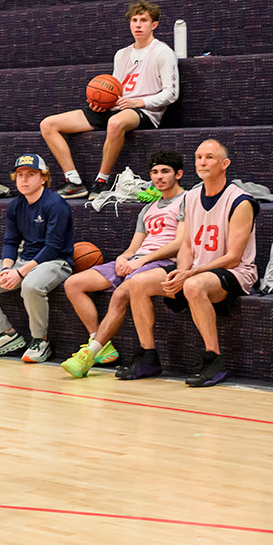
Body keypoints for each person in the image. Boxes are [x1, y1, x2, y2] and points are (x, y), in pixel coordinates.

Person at [102, 139, 255, 387]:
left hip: (233, 272)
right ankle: (148, 354)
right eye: (198, 157)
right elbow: (186, 244)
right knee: (138, 283)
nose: (202, 162)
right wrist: (182, 270)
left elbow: (234, 257)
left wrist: (190, 274)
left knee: (193, 286)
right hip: (195, 268)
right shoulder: (191, 197)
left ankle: (213, 358)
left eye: (210, 157)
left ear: (225, 164)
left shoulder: (241, 201)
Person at [59, 150, 186, 379]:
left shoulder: (187, 201)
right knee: (73, 283)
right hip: (139, 260)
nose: (159, 177)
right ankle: (99, 341)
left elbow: (181, 242)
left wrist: (143, 260)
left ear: (178, 174)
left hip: (163, 263)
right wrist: (123, 258)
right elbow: (134, 246)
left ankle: (88, 355)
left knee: (119, 294)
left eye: (165, 172)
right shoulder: (148, 208)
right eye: (155, 172)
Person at [38, 1, 180, 198]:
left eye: (143, 21)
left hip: (144, 111)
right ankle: (74, 181)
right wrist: (102, 102)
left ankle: (102, 181)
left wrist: (139, 102)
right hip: (119, 107)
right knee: (48, 125)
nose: (138, 25)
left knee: (115, 123)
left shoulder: (163, 52)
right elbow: (116, 88)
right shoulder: (122, 54)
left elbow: (171, 94)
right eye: (134, 20)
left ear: (154, 25)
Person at [0, 154, 74, 363]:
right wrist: (6, 268)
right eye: (20, 175)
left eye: (31, 174)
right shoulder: (15, 205)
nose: (24, 179)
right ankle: (7, 334)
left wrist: (20, 272)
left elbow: (53, 247)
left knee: (30, 285)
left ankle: (41, 341)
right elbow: (11, 241)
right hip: (24, 261)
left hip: (55, 262)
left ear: (43, 178)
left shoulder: (56, 204)